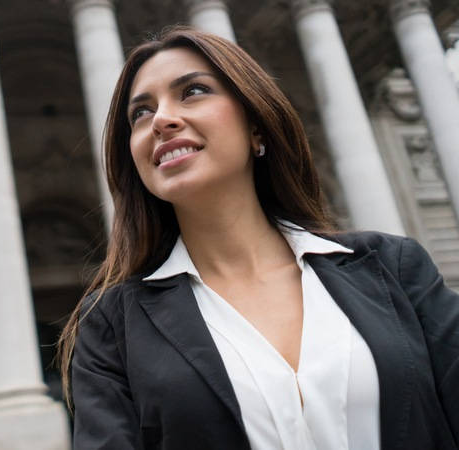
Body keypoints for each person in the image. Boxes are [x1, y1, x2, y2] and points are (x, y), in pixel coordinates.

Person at [56, 26, 459, 450]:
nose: (161, 119)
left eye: (192, 91)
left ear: (257, 128)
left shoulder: (393, 267)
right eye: (140, 113)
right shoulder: (109, 324)